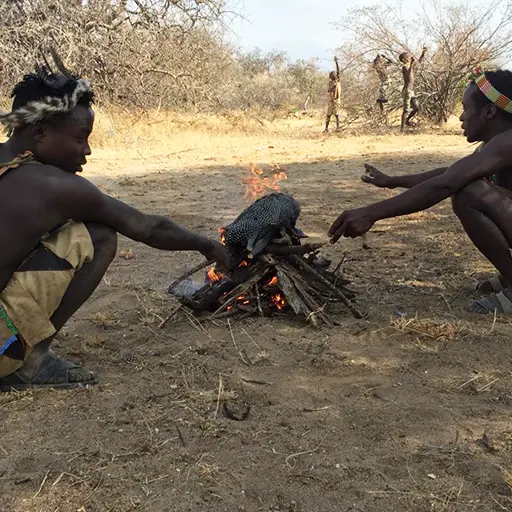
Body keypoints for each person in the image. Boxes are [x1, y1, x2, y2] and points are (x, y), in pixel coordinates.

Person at [0, 56, 228, 391]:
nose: (87, 150)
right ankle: (27, 360)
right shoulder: (54, 186)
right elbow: (148, 228)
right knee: (98, 236)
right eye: (81, 137)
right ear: (39, 131)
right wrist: (207, 245)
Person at [328, 69, 512, 314]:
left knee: (470, 193)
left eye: (466, 108)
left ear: (489, 112)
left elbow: (449, 183)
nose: (461, 117)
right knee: (468, 186)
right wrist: (393, 181)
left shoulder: (508, 142)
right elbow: (448, 173)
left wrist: (371, 214)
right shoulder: (495, 145)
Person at [399, 47, 427, 131]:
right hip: (407, 90)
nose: (410, 57)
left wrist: (423, 53)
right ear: (404, 59)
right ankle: (402, 129)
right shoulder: (405, 67)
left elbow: (419, 62)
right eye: (408, 57)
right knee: (406, 110)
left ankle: (407, 121)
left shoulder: (410, 66)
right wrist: (411, 64)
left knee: (416, 107)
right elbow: (408, 73)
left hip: (411, 91)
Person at [324, 56, 341, 133]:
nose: (331, 75)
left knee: (336, 115)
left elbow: (338, 71)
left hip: (336, 100)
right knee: (329, 115)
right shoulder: (331, 83)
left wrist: (336, 62)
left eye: (332, 74)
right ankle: (326, 129)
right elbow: (329, 91)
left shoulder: (337, 81)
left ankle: (338, 128)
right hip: (331, 100)